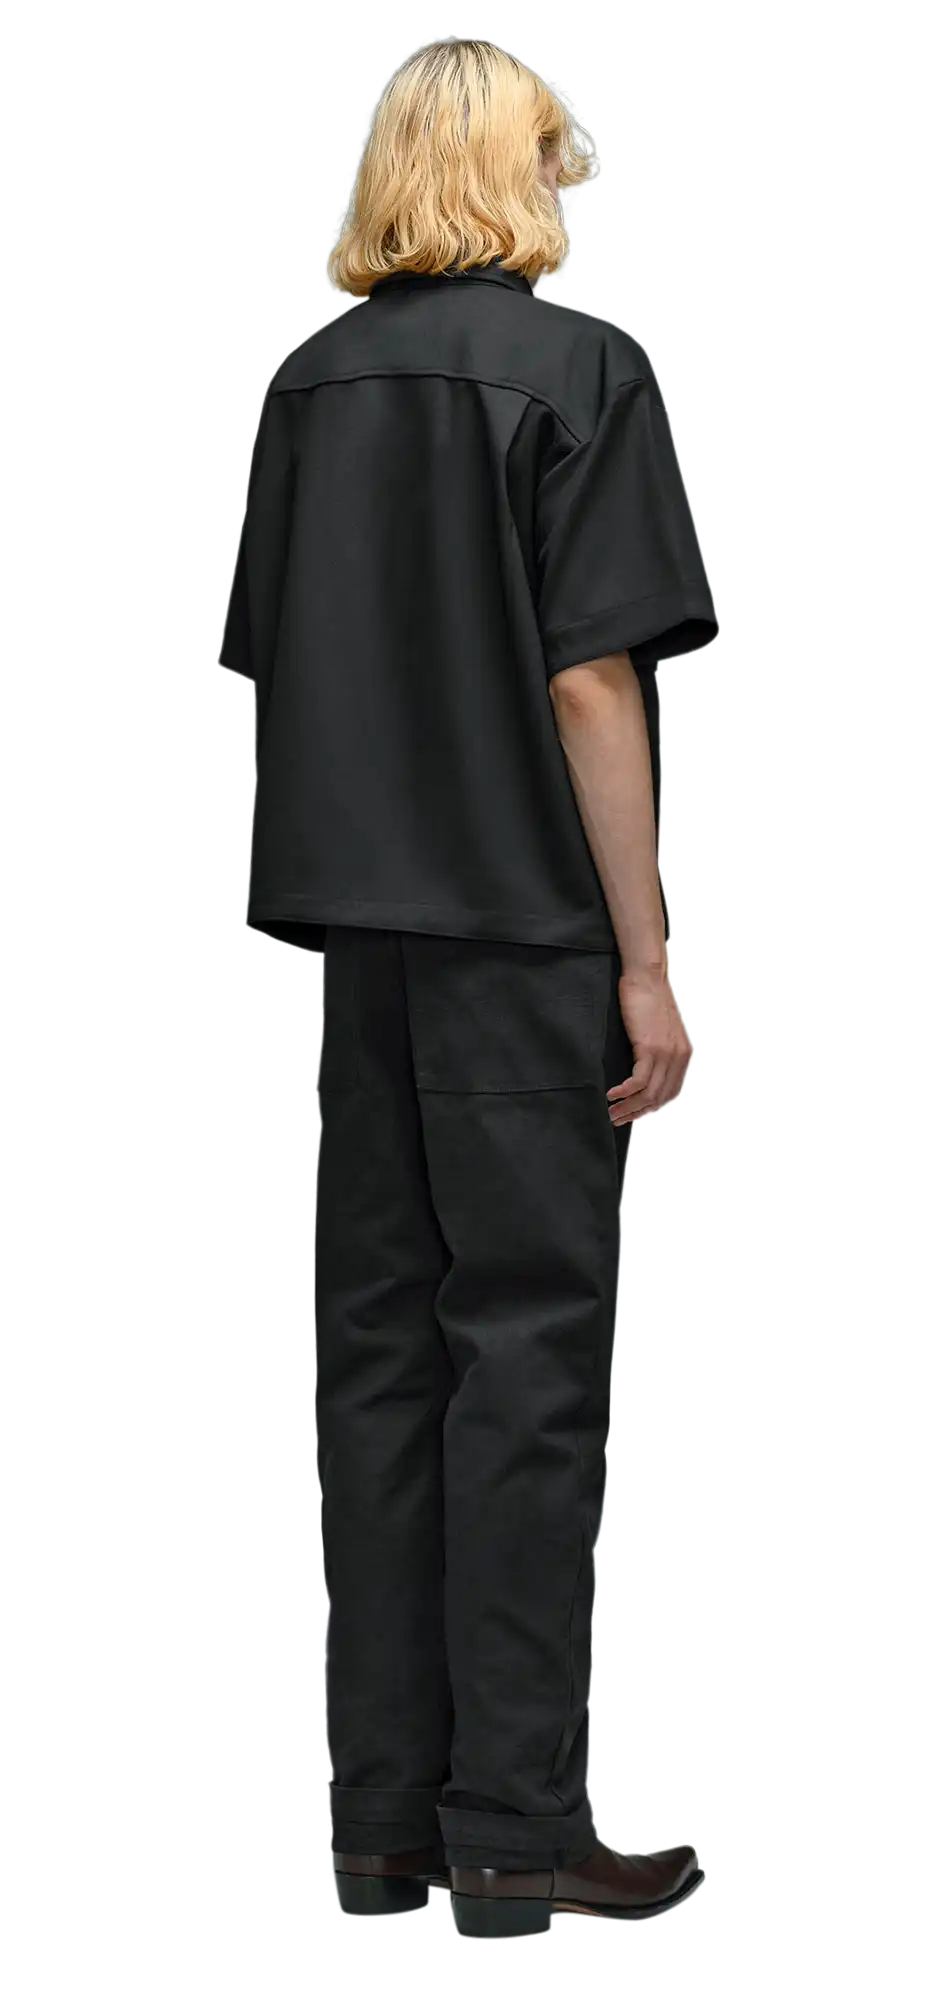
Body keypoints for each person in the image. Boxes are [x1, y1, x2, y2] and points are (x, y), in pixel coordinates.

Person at [216, 38, 720, 1942]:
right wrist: (644, 958)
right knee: (526, 1370)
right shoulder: (577, 372)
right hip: (522, 944)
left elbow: (277, 651)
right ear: (511, 168)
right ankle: (516, 1828)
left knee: (382, 1363)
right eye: (553, 155)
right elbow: (588, 678)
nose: (567, 184)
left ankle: (386, 1822)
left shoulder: (305, 382)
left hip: (364, 950)